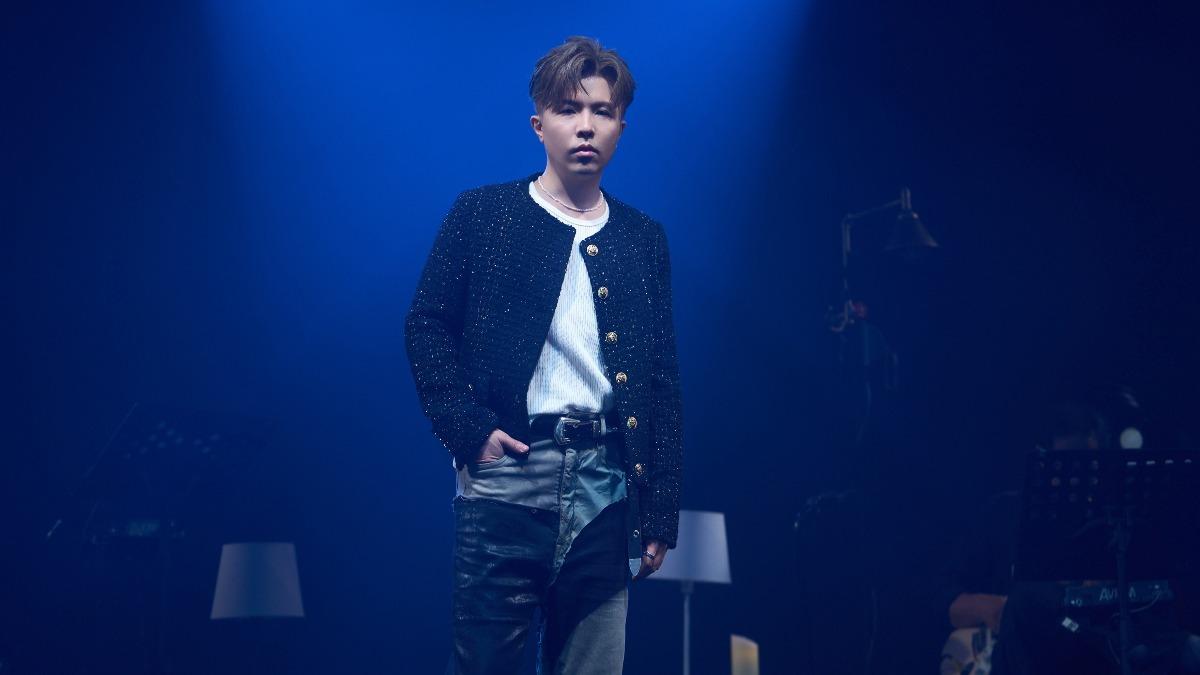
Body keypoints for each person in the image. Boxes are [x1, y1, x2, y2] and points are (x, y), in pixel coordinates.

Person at [405, 36, 684, 674]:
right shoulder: (483, 214)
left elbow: (661, 379)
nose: (585, 125)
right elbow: (425, 325)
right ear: (539, 125)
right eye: (567, 108)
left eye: (602, 111)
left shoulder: (643, 238)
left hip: (608, 484)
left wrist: (660, 508)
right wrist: (467, 428)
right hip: (510, 472)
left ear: (620, 128)